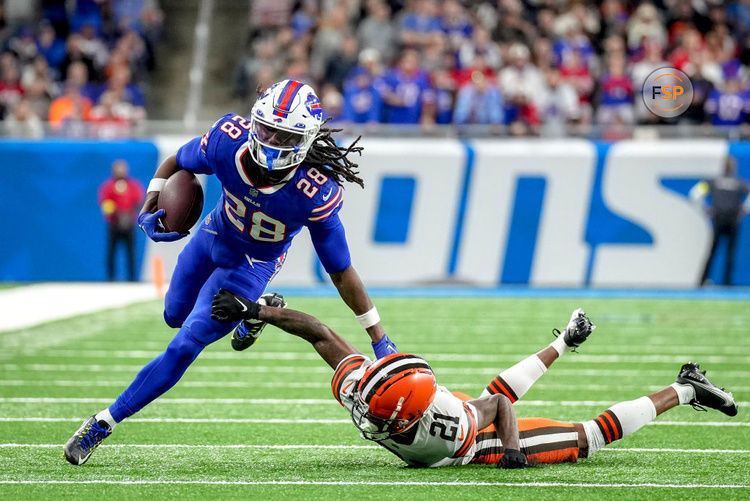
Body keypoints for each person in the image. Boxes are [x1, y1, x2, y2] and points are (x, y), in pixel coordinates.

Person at [63, 79, 398, 465]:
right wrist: (150, 204)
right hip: (212, 236)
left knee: (184, 344)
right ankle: (251, 323)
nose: (270, 140)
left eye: (283, 135)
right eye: (266, 128)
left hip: (251, 265)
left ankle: (103, 422)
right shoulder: (227, 140)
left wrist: (378, 337)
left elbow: (341, 271)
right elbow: (178, 161)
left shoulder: (313, 192)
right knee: (173, 315)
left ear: (304, 141)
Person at [208, 289, 738, 469]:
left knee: (581, 439)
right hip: (459, 429)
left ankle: (686, 386)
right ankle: (574, 346)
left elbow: (320, 333)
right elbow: (321, 334)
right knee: (526, 411)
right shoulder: (407, 407)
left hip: (469, 428)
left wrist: (511, 451)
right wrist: (262, 311)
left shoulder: (376, 400)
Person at [691, 156, 750, 286]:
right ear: (734, 167)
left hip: (718, 219)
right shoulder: (739, 183)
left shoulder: (714, 181)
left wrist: (704, 209)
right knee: (730, 253)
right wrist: (744, 210)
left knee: (713, 252)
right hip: (732, 220)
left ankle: (702, 282)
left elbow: (695, 194)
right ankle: (727, 284)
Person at [97, 160, 144, 281]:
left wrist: (129, 213)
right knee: (111, 252)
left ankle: (132, 279)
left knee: (131, 253)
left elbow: (139, 200)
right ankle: (111, 279)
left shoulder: (133, 185)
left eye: (122, 169)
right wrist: (115, 213)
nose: (120, 171)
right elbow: (104, 202)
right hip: (114, 223)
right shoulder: (108, 186)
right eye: (118, 169)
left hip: (129, 223)